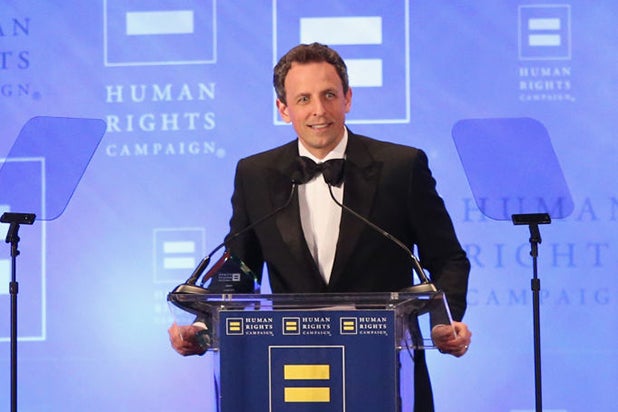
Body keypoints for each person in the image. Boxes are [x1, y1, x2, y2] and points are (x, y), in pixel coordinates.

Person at [169, 42, 472, 411]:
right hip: (290, 372)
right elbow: (239, 268)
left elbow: (448, 259)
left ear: (347, 98)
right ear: (283, 109)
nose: (319, 110)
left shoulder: (400, 167)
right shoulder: (255, 174)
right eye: (303, 99)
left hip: (386, 370)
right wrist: (203, 327)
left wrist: (443, 322)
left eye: (329, 95)